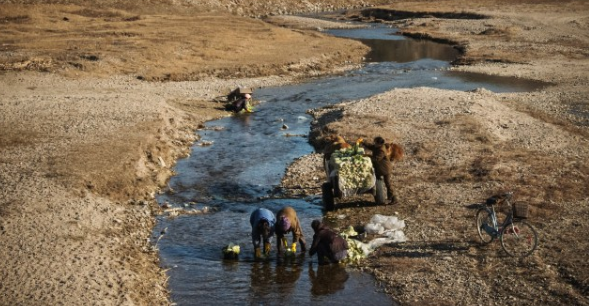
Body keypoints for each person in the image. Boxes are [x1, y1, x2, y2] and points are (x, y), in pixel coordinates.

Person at [362, 136, 398, 204]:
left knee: (388, 183)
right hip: (381, 168)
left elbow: (376, 159)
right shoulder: (378, 147)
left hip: (385, 169)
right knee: (386, 183)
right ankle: (386, 197)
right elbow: (371, 147)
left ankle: (394, 198)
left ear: (379, 143)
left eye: (375, 142)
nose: (374, 143)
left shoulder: (381, 150)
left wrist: (367, 156)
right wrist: (363, 142)